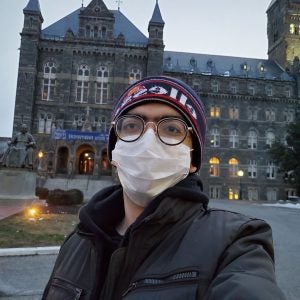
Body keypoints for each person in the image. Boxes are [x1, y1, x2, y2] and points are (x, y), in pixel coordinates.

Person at [42, 76, 286, 299]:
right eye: (131, 126)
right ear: (115, 150)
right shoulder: (77, 241)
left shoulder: (236, 244)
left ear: (192, 160)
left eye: (171, 129)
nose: (148, 141)